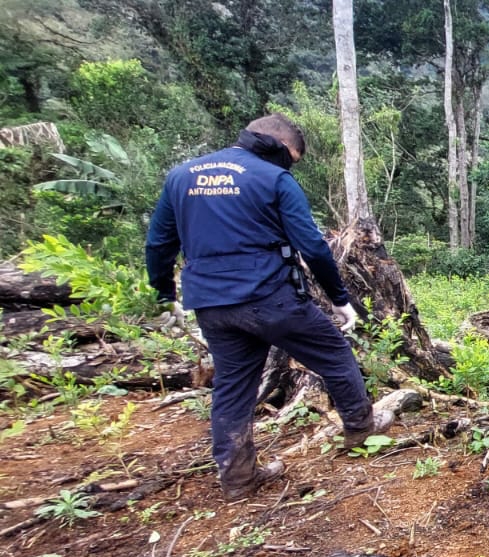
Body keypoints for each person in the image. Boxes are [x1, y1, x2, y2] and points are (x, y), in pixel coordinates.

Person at [145, 113, 393, 501]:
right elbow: (312, 246)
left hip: (211, 304)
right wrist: (340, 299)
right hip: (270, 298)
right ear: (278, 146)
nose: (291, 164)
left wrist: (164, 293)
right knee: (333, 353)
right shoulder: (274, 178)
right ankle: (362, 430)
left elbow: (159, 243)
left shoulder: (182, 176)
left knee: (233, 385)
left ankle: (238, 479)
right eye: (293, 157)